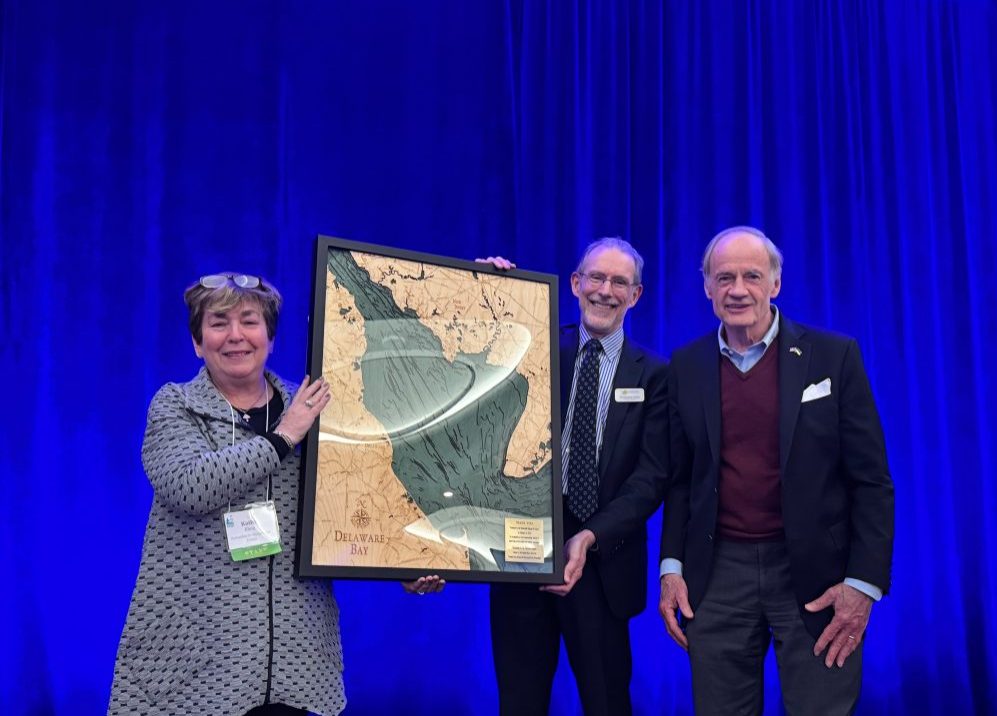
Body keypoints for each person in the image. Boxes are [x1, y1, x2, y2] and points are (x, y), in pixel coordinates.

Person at [108, 273, 444, 715]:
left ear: (270, 337)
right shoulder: (175, 406)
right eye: (218, 322)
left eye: (249, 321)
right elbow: (190, 486)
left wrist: (397, 565)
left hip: (293, 665)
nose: (235, 336)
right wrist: (284, 436)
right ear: (197, 341)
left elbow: (349, 512)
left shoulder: (315, 410)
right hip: (193, 668)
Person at [658, 227, 895, 715]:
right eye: (724, 278)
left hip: (816, 576)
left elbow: (871, 481)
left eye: (751, 276)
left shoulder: (834, 356)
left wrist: (863, 584)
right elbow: (680, 478)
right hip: (718, 573)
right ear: (706, 287)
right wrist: (671, 568)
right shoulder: (685, 366)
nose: (738, 289)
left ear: (776, 284)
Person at [485, 238, 669, 716]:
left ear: (637, 295)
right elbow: (480, 343)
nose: (605, 291)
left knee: (607, 703)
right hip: (523, 553)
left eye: (620, 282)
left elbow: (651, 478)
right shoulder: (535, 346)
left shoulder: (655, 375)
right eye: (596, 278)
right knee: (519, 703)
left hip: (603, 561)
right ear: (575, 283)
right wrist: (483, 285)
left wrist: (589, 536)